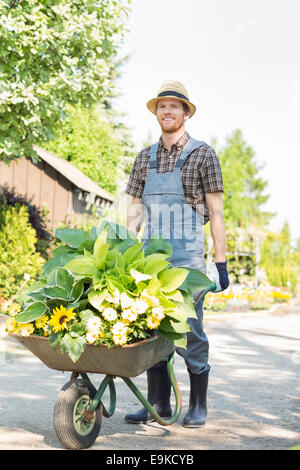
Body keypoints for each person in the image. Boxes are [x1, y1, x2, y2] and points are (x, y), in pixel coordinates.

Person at [124, 80, 229, 427]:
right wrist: (127, 252)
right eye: (162, 106)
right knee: (151, 327)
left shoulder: (203, 154)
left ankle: (198, 404)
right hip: (151, 259)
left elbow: (216, 213)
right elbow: (135, 211)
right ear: (157, 113)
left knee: (190, 329)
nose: (167, 111)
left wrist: (221, 263)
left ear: (185, 112)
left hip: (187, 262)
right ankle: (159, 404)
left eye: (174, 106)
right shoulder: (144, 157)